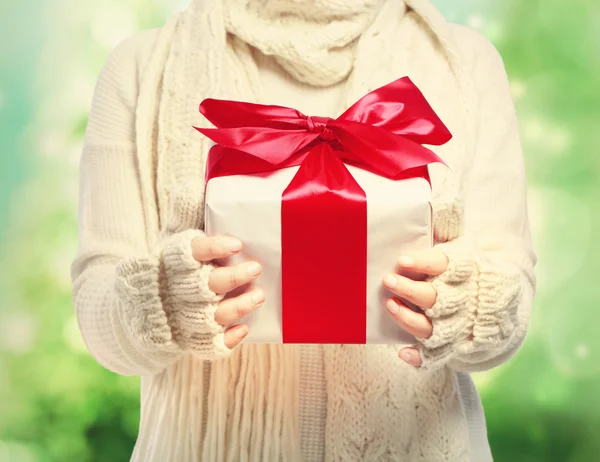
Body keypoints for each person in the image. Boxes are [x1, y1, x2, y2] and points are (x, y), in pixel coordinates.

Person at [70, 0, 537, 460]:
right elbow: (97, 313)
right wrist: (160, 301)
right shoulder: (141, 66)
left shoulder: (465, 62)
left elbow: (511, 307)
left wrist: (469, 306)